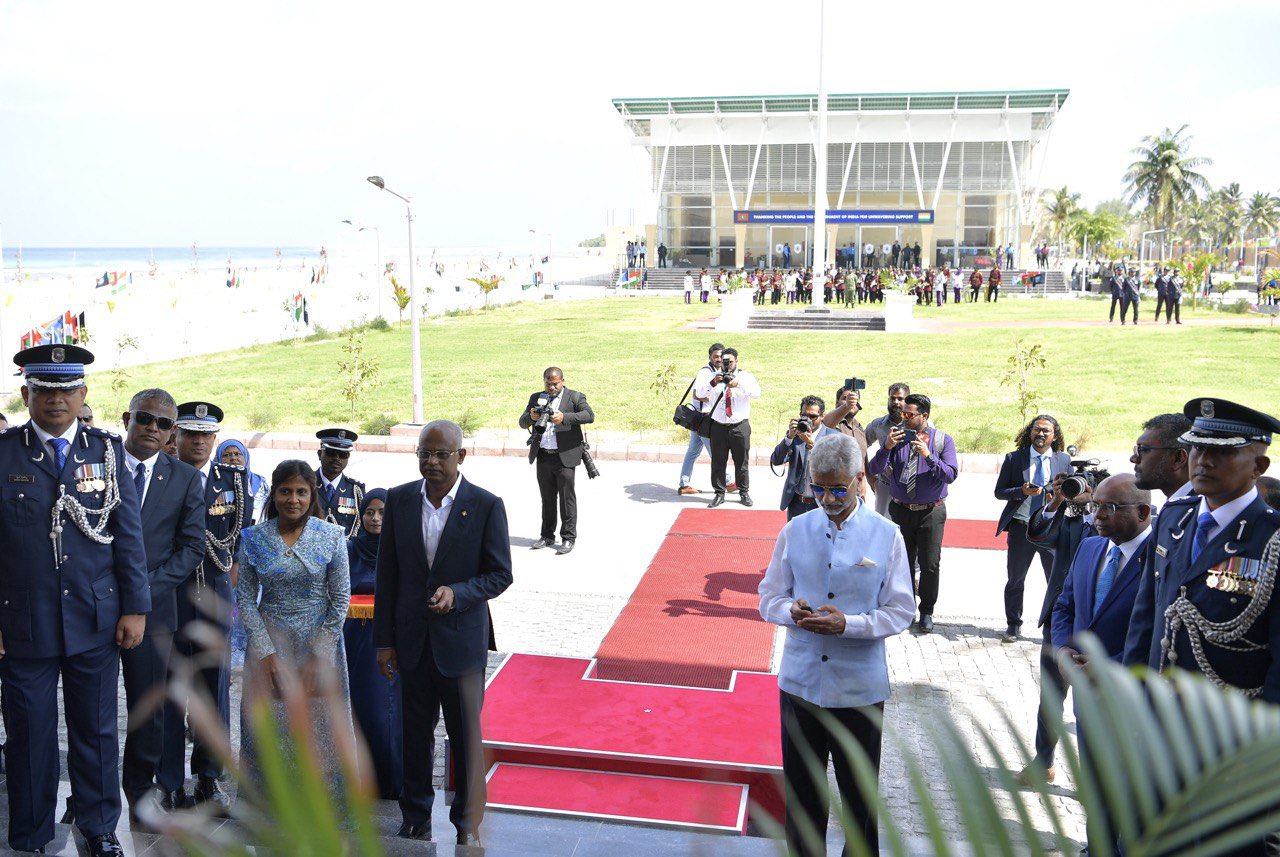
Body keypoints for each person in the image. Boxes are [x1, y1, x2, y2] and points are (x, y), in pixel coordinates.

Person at [0, 344, 149, 856]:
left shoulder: (106, 452)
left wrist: (135, 608)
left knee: (97, 731)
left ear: (83, 393)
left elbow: (129, 537)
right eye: (44, 389)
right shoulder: (4, 454)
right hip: (23, 622)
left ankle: (99, 827)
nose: (56, 399)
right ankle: (31, 835)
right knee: (29, 733)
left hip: (96, 618)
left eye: (66, 390)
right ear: (26, 394)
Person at [758, 433, 915, 857]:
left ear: (860, 480)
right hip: (801, 684)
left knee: (859, 799)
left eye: (838, 490)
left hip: (859, 689)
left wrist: (851, 625)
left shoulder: (886, 535)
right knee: (803, 797)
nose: (827, 499)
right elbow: (769, 597)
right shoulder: (796, 530)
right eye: (819, 489)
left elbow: (901, 611)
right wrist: (790, 610)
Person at [376, 420, 513, 846]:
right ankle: (415, 816)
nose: (431, 462)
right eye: (424, 453)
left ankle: (468, 822)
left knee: (465, 737)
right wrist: (384, 641)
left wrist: (458, 593)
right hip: (412, 643)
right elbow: (387, 576)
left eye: (441, 454)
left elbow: (499, 574)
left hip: (461, 645)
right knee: (415, 735)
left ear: (461, 456)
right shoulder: (399, 500)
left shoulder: (485, 505)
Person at [235, 460, 353, 798]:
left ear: (312, 495)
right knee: (269, 727)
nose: (293, 499)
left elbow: (340, 598)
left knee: (321, 729)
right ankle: (266, 807)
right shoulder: (254, 538)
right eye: (285, 491)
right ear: (274, 494)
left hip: (319, 646)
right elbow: (245, 600)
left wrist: (320, 657)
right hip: (269, 646)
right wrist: (267, 654)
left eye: (301, 492)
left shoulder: (331, 536)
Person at [1051, 474, 1152, 855]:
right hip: (1086, 697)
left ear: (1142, 512)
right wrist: (1063, 651)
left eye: (1109, 508)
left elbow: (1159, 629)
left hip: (1133, 699)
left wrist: (1110, 668)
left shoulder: (1161, 555)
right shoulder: (1090, 547)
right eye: (1095, 506)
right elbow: (1065, 606)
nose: (1098, 516)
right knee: (1095, 789)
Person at [118, 389, 206, 822]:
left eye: (164, 423)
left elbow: (191, 548)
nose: (153, 428)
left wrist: (142, 591)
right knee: (90, 709)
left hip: (154, 611)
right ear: (127, 419)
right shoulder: (98, 464)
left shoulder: (185, 479)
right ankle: (87, 795)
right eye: (145, 418)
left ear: (172, 432)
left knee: (148, 708)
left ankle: (140, 793)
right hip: (91, 606)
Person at [162, 401, 253, 812]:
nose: (198, 442)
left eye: (206, 435)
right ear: (176, 436)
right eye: (190, 434)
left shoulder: (231, 479)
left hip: (215, 591)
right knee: (170, 689)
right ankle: (167, 781)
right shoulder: (161, 475)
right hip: (172, 594)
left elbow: (238, 536)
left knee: (214, 690)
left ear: (215, 439)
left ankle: (209, 777)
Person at [1017, 469, 1098, 786]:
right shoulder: (1070, 522)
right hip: (1060, 621)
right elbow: (1037, 534)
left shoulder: (1116, 523)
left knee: (1091, 707)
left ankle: (1093, 777)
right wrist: (1056, 500)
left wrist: (1092, 503)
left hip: (1098, 627)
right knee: (1050, 696)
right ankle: (1043, 762)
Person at [868, 393, 958, 633]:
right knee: (902, 563)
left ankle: (926, 611)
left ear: (924, 416)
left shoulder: (942, 440)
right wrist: (886, 447)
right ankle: (906, 608)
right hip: (901, 510)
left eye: (909, 414)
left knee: (930, 564)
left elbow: (950, 474)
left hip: (931, 511)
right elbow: (874, 468)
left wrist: (929, 456)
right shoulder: (896, 438)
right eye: (903, 414)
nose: (904, 418)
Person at [343, 487, 403, 800]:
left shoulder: (401, 550)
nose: (375, 518)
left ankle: (388, 782)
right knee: (356, 708)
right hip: (353, 640)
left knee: (385, 712)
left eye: (382, 512)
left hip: (387, 641)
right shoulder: (349, 549)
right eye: (369, 512)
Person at [993, 415, 1071, 642]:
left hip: (1051, 529)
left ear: (1054, 435)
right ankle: (1013, 625)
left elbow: (1071, 493)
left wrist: (1058, 497)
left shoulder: (1063, 460)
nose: (1041, 434)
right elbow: (999, 492)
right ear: (1030, 432)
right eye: (1037, 429)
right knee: (1015, 579)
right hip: (1022, 528)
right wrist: (1021, 491)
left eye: (1046, 431)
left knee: (1056, 581)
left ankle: (1054, 627)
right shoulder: (1014, 459)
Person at [519, 367, 594, 555]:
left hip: (565, 455)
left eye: (555, 384)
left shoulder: (575, 397)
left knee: (567, 499)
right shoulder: (537, 397)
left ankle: (568, 538)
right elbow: (522, 421)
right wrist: (531, 417)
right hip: (543, 454)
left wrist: (564, 417)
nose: (551, 387)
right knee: (547, 498)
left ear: (562, 381)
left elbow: (589, 415)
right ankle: (547, 536)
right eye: (548, 384)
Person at [697, 347, 761, 508]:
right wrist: (713, 382)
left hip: (739, 426)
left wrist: (738, 384)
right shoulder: (712, 376)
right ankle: (719, 493)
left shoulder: (745, 377)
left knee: (742, 461)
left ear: (736, 361)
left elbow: (756, 393)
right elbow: (699, 393)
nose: (727, 365)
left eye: (730, 362)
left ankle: (744, 492)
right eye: (724, 362)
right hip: (718, 426)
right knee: (718, 462)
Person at [678, 344, 731, 496]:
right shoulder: (705, 372)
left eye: (721, 356)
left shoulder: (720, 372)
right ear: (710, 357)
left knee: (693, 451)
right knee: (715, 451)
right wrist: (712, 397)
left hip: (703, 419)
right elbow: (696, 394)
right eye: (715, 356)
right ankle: (728, 481)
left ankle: (684, 484)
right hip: (703, 418)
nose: (718, 359)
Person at [863, 383, 919, 518]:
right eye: (892, 398)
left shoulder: (919, 424)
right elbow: (860, 447)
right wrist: (869, 477)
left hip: (911, 485)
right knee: (883, 525)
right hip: (885, 485)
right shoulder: (878, 425)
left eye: (900, 399)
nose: (896, 402)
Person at [771, 396, 825, 520]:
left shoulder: (832, 436)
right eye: (804, 416)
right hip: (796, 503)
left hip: (821, 504)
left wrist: (812, 445)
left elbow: (833, 467)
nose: (808, 420)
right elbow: (776, 460)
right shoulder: (795, 436)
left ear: (822, 416)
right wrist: (789, 438)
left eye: (813, 416)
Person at [1130, 412, 1194, 510]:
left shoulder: (1200, 511)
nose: (1134, 459)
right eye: (1136, 450)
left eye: (1143, 449)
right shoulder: (1174, 506)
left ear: (1178, 458)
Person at [315, 428, 365, 538]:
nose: (337, 458)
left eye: (343, 454)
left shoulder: (356, 490)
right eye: (331, 453)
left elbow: (361, 529)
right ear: (319, 454)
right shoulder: (305, 485)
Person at [218, 438, 271, 524]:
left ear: (245, 457)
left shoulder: (260, 483)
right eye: (227, 455)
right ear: (219, 458)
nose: (233, 458)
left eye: (237, 454)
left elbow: (267, 512)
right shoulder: (213, 483)